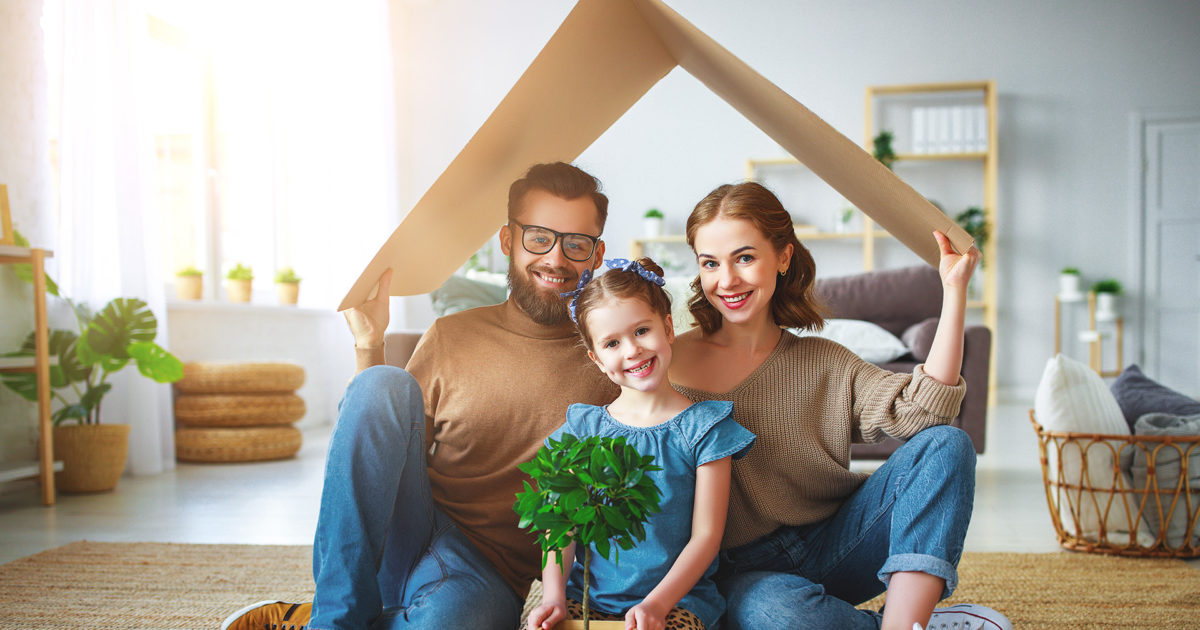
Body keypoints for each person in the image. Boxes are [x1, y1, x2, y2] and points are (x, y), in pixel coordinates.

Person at [222, 162, 621, 630]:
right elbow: (381, 443)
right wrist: (370, 345)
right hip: (409, 530)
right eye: (538, 237)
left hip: (484, 574)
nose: (556, 258)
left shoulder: (615, 356)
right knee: (382, 383)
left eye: (575, 243)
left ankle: (343, 619)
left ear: (596, 255)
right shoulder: (452, 334)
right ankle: (333, 621)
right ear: (507, 241)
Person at [668, 182, 1012, 630]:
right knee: (780, 616)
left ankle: (906, 624)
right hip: (741, 572)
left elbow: (924, 413)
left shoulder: (824, 362)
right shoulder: (667, 364)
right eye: (710, 263)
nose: (726, 280)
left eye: (745, 257)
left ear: (784, 257)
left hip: (838, 543)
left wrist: (954, 291)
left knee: (947, 443)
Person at [526, 257, 755, 630]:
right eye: (612, 343)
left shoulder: (704, 429)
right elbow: (559, 524)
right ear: (597, 359)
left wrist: (656, 606)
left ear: (667, 328)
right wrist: (553, 596)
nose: (631, 350)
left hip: (676, 601)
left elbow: (706, 537)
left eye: (642, 331)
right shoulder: (581, 430)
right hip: (588, 598)